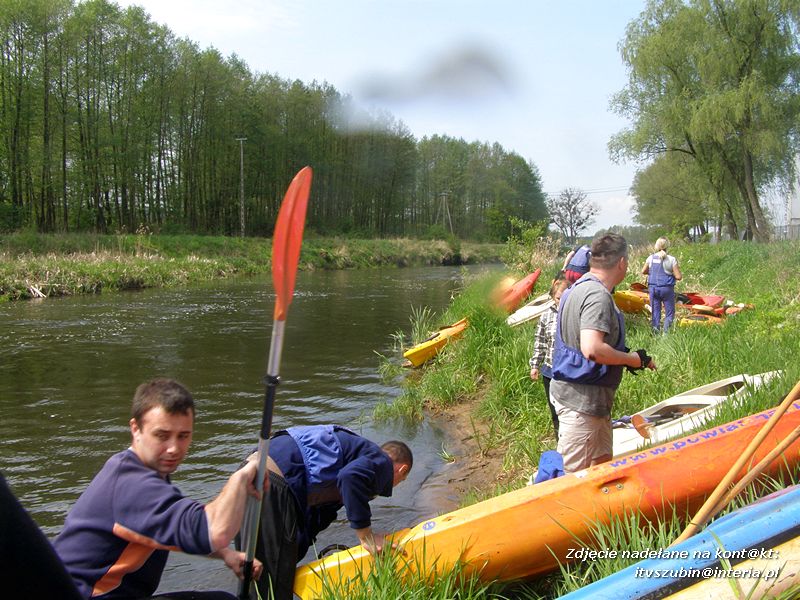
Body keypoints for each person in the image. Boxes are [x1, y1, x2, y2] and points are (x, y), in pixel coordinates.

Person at [54, 378, 266, 600]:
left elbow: (175, 530)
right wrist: (240, 477)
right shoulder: (132, 486)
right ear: (136, 429)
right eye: (162, 436)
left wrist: (226, 554)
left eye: (183, 436)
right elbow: (215, 531)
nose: (174, 448)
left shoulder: (140, 471)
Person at [248, 425, 413, 600]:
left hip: (251, 470)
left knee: (257, 571)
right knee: (272, 581)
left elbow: (311, 520)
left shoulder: (347, 460)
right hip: (274, 476)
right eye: (402, 480)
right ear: (402, 469)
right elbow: (350, 478)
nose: (396, 485)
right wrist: (367, 536)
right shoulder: (381, 461)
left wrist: (292, 556)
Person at [550, 234, 656, 474]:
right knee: (573, 482)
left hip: (590, 404)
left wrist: (629, 357)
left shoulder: (575, 289)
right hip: (581, 405)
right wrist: (632, 360)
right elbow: (592, 348)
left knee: (602, 471)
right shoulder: (597, 296)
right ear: (621, 263)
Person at [529, 274, 571, 438]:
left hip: (569, 371)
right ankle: (559, 440)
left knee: (570, 411)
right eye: (558, 297)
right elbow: (540, 341)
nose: (561, 301)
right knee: (555, 411)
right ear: (553, 297)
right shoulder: (546, 316)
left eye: (565, 297)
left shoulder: (575, 313)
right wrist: (535, 365)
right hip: (550, 371)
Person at [642, 237, 683, 333]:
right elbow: (678, 277)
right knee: (669, 313)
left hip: (653, 289)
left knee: (655, 312)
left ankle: (655, 333)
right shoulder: (671, 259)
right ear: (667, 246)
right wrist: (670, 274)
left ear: (656, 246)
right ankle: (666, 335)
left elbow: (643, 271)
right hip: (667, 289)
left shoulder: (650, 258)